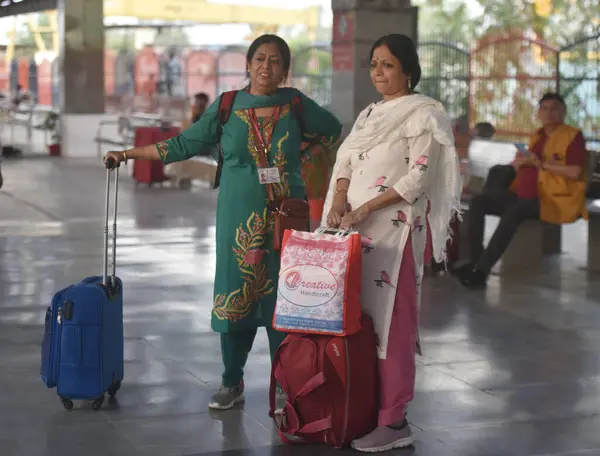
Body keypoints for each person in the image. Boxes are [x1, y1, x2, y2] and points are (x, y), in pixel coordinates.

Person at [104, 34, 342, 410]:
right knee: (236, 295)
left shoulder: (296, 104)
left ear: (285, 69)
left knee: (287, 298)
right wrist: (128, 153)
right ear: (248, 65)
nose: (267, 66)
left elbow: (331, 129)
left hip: (288, 219)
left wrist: (306, 155)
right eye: (260, 58)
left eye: (275, 60)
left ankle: (285, 382)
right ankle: (232, 382)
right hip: (238, 220)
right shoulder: (228, 106)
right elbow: (181, 145)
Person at [323, 34, 461, 452]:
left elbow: (417, 178)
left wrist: (366, 208)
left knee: (391, 325)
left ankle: (394, 419)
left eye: (388, 65)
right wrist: (341, 199)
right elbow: (345, 158)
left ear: (408, 71)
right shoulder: (369, 114)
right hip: (354, 231)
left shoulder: (425, 113)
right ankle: (363, 406)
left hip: (393, 234)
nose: (379, 72)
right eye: (374, 64)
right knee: (356, 320)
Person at [456, 92, 588, 289]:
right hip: (519, 194)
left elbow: (575, 172)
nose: (549, 113)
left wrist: (542, 164)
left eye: (555, 109)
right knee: (478, 202)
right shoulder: (538, 136)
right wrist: (520, 162)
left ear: (563, 112)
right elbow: (523, 165)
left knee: (514, 212)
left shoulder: (573, 136)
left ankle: (481, 272)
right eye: (545, 108)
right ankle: (475, 260)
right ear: (539, 113)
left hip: (549, 198)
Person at [166, 92, 211, 188]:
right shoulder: (195, 116)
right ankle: (182, 177)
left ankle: (182, 177)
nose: (196, 104)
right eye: (196, 102)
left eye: (198, 102)